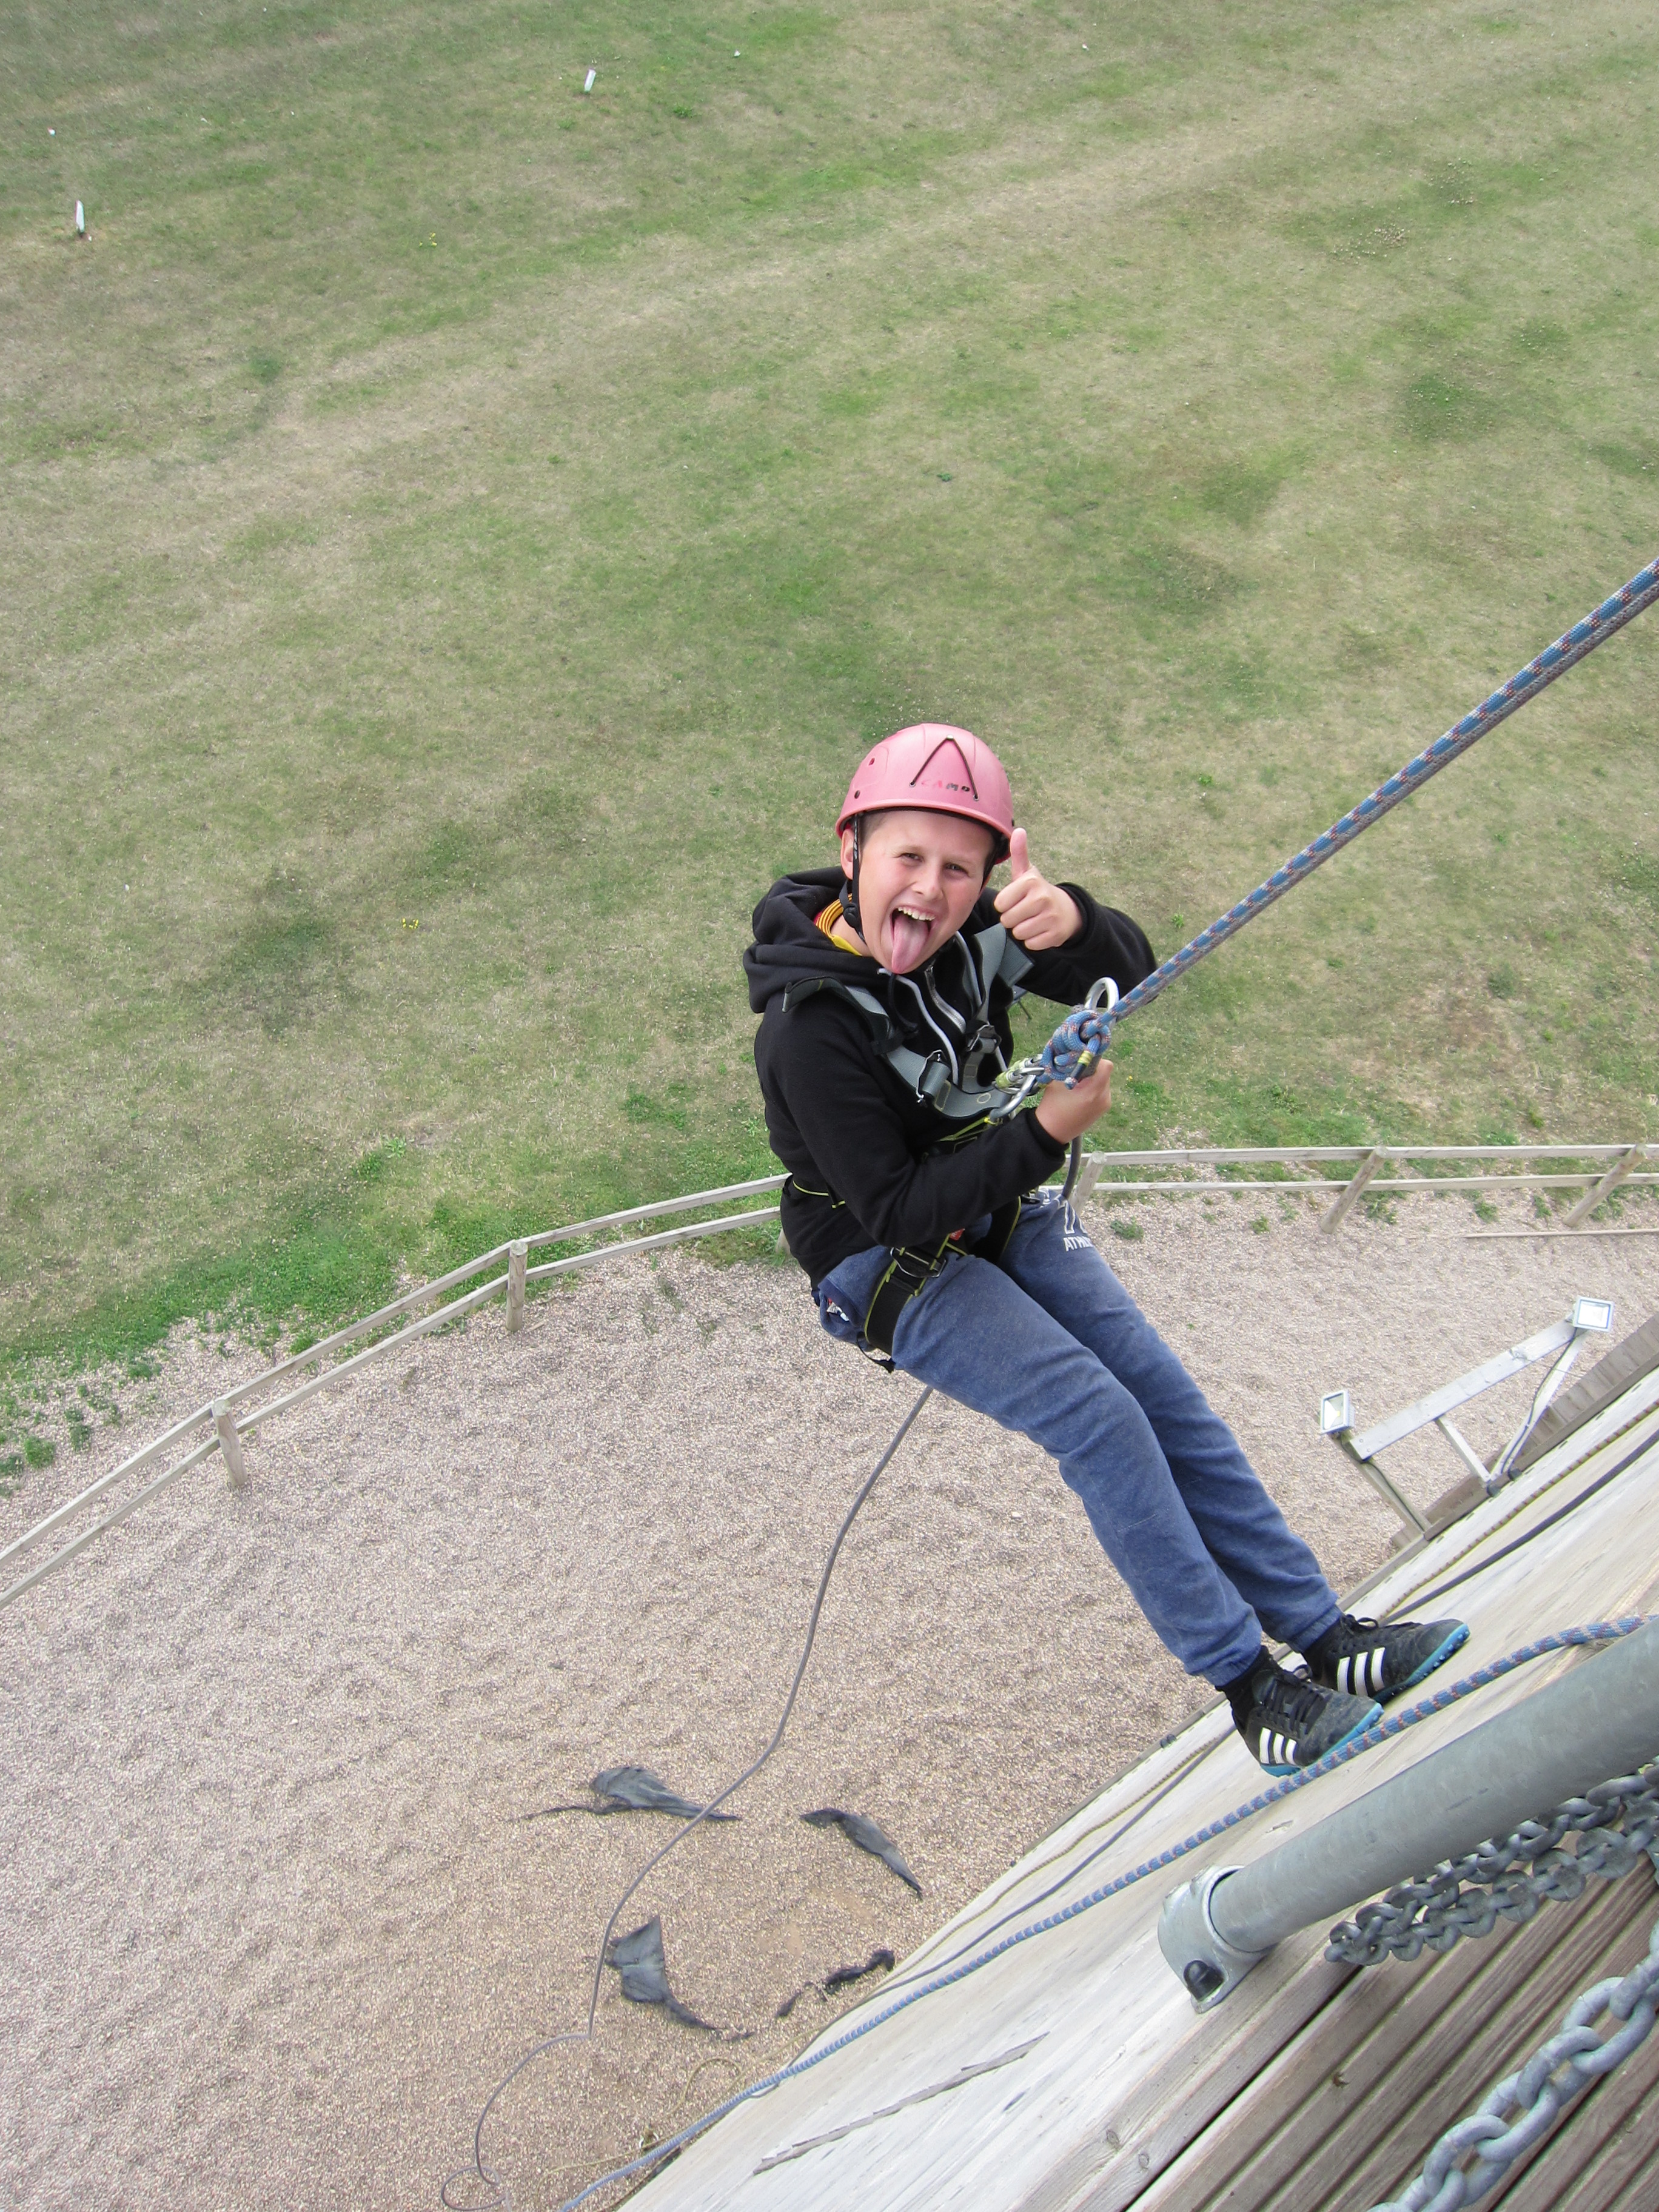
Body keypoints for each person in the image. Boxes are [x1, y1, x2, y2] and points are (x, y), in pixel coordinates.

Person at [744, 723, 1467, 1774]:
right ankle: (1249, 1686)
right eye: (908, 857)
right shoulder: (809, 1028)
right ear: (851, 852)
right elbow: (899, 1209)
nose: (932, 889)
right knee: (1099, 1419)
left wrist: (1074, 922)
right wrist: (1042, 1135)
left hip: (990, 1199)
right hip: (880, 1257)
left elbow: (1130, 971)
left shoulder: (980, 926)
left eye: (960, 867)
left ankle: (1327, 1639)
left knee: (1165, 1400)